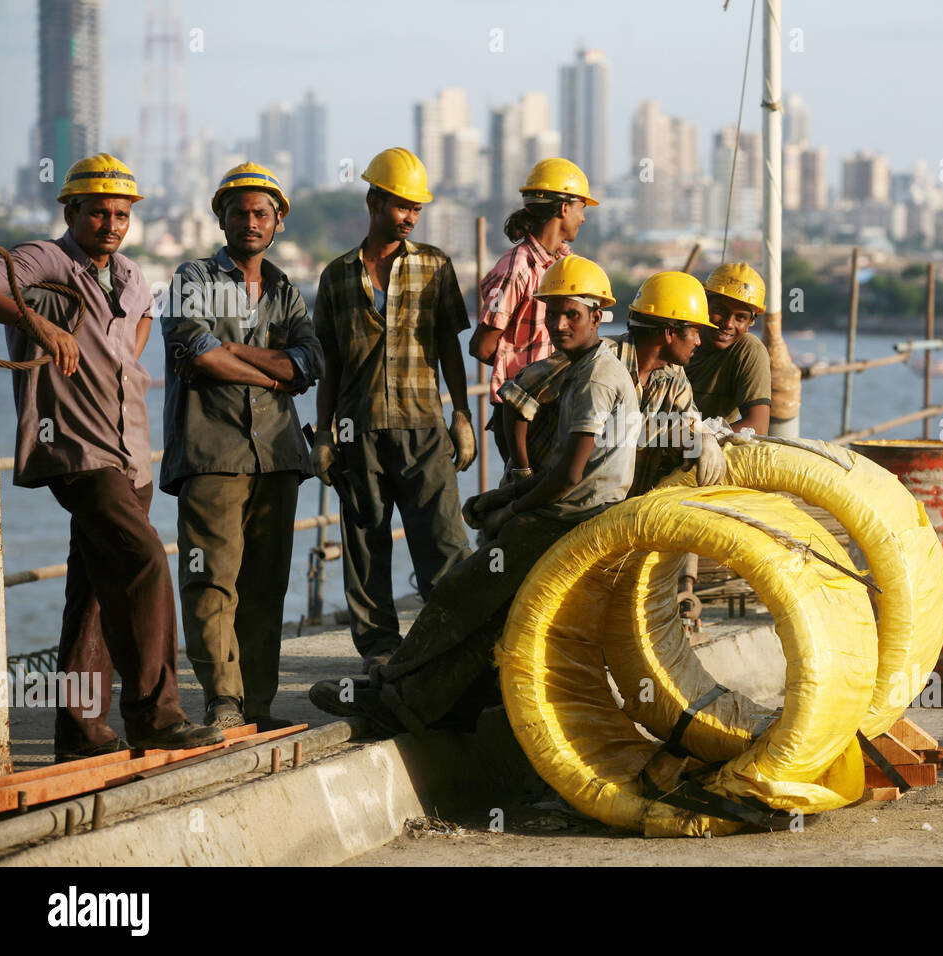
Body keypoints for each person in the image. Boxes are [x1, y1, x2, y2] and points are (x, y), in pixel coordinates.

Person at [309, 256, 639, 734]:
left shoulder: (593, 377)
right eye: (552, 313)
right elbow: (565, 465)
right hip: (578, 511)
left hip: (571, 518)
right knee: (490, 617)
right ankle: (447, 702)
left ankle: (392, 689)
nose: (559, 324)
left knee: (460, 589)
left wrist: (514, 511)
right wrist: (507, 496)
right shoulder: (582, 366)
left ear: (596, 316)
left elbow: (569, 476)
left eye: (572, 314)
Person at [0, 153, 222, 757]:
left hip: (130, 454)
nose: (111, 223)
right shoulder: (44, 259)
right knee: (146, 561)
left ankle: (78, 730)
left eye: (121, 213)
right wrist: (43, 329)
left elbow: (140, 323)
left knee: (93, 591)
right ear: (71, 210)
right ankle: (155, 714)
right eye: (98, 212)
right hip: (74, 448)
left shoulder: (130, 275)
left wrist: (115, 359)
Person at [159, 162, 323, 731]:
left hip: (277, 457)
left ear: (277, 220)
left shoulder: (286, 290)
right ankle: (223, 702)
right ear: (221, 219)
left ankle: (258, 706)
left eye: (261, 212)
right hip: (213, 456)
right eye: (239, 212)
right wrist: (275, 373)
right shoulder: (192, 279)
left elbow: (311, 363)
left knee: (265, 584)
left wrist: (238, 353)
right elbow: (197, 351)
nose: (250, 222)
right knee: (211, 581)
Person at [311, 148, 477, 676]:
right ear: (374, 201)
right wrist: (324, 435)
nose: (408, 217)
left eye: (416, 210)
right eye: (400, 206)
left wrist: (462, 416)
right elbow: (329, 363)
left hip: (424, 426)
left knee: (445, 545)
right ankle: (379, 652)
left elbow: (450, 346)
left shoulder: (434, 266)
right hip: (358, 430)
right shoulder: (336, 276)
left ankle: (451, 648)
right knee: (365, 548)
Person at [497, 270, 727, 496]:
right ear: (669, 332)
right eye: (695, 331)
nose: (699, 341)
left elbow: (689, 422)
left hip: (600, 508)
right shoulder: (595, 360)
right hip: (545, 497)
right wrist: (522, 471)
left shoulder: (674, 378)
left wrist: (704, 437)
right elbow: (517, 398)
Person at [471, 158, 595, 462]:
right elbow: (482, 346)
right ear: (565, 208)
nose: (583, 218)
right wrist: (526, 373)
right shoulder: (517, 269)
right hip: (523, 414)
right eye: (582, 208)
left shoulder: (564, 265)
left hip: (554, 406)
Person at [685, 261, 772, 434]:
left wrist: (698, 441)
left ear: (749, 323)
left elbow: (758, 426)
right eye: (720, 310)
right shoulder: (677, 336)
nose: (728, 323)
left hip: (706, 453)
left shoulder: (747, 350)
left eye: (740, 317)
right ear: (704, 305)